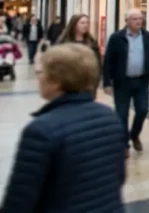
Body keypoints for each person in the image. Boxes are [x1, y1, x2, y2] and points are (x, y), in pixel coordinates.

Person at [0, 44, 126, 213]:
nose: (39, 76)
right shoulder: (110, 117)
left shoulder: (41, 131)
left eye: (43, 71)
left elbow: (18, 201)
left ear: (58, 80)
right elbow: (118, 177)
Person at [103, 8, 149, 157]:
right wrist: (106, 82)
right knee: (121, 114)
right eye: (135, 19)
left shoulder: (147, 37)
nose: (138, 21)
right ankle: (123, 144)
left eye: (140, 18)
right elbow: (108, 60)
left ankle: (134, 134)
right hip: (122, 82)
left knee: (142, 109)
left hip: (142, 81)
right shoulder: (117, 38)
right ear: (127, 21)